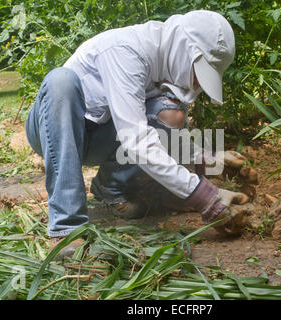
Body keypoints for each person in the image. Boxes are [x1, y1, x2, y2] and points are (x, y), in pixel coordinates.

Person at [25, 10, 252, 257]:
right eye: (200, 72)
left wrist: (208, 160)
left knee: (169, 113)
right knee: (61, 80)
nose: (197, 84)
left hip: (96, 137)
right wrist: (205, 196)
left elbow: (154, 132)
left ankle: (109, 188)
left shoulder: (163, 69)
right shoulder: (126, 51)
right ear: (185, 50)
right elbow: (138, 141)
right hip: (51, 129)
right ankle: (66, 227)